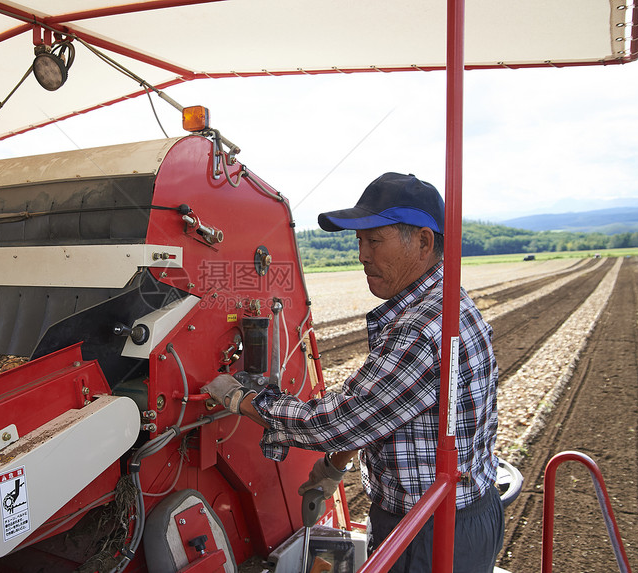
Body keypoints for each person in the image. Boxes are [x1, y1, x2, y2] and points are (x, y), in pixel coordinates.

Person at [202, 172, 503, 572]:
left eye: (374, 240)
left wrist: (243, 399)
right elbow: (383, 411)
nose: (361, 254)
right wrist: (334, 467)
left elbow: (341, 420)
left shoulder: (422, 328)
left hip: (430, 532)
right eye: (359, 240)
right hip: (456, 517)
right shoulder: (443, 302)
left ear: (424, 242)